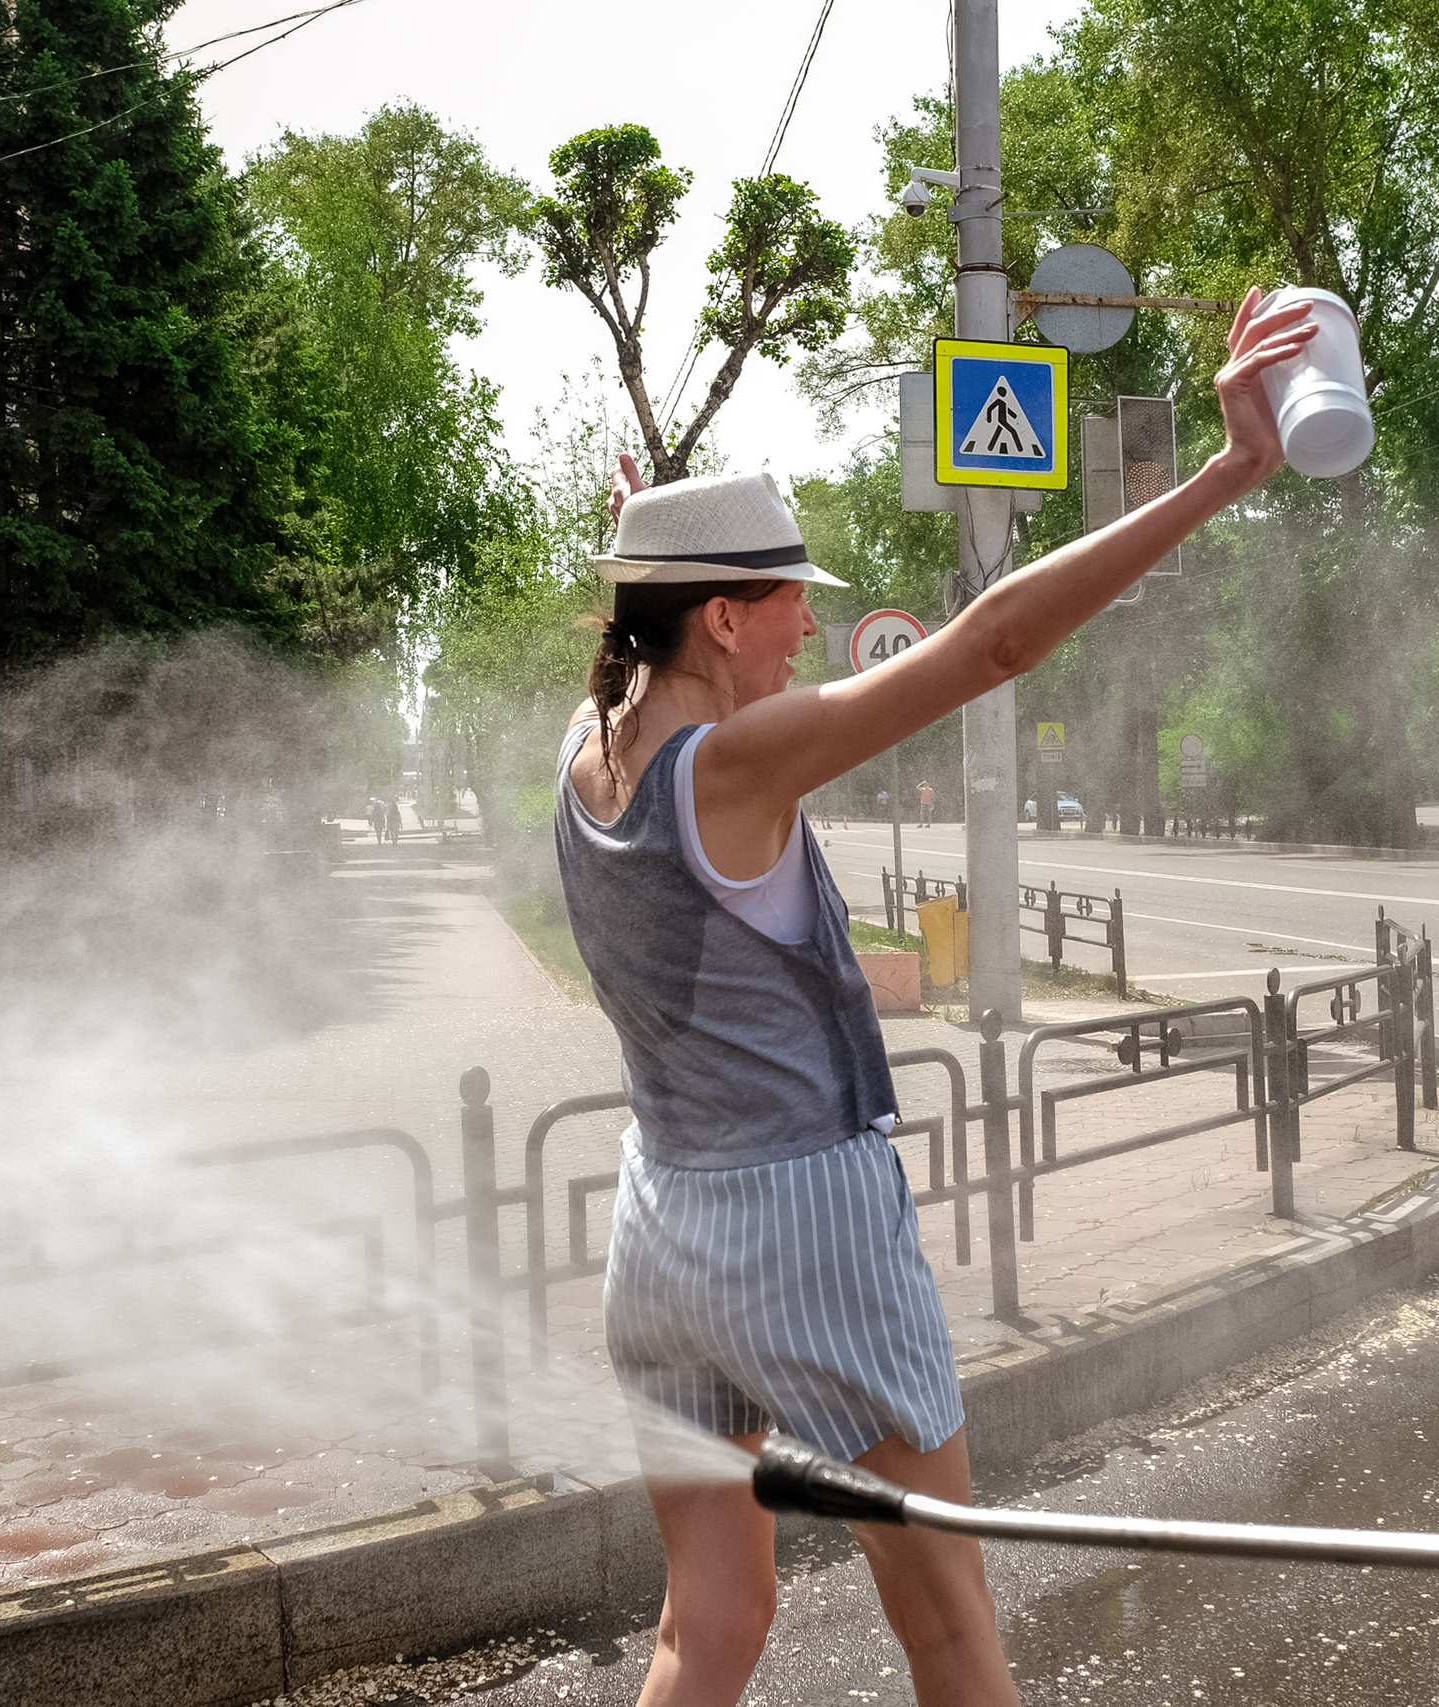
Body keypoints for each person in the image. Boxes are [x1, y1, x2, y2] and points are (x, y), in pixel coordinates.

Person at [554, 290, 1319, 1707]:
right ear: (721, 617)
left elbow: (633, 640)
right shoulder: (734, 766)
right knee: (954, 1625)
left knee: (705, 1620)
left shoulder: (587, 745)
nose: (807, 631)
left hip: (658, 1232)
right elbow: (992, 644)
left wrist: (636, 523)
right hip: (805, 1226)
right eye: (790, 605)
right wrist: (1227, 472)